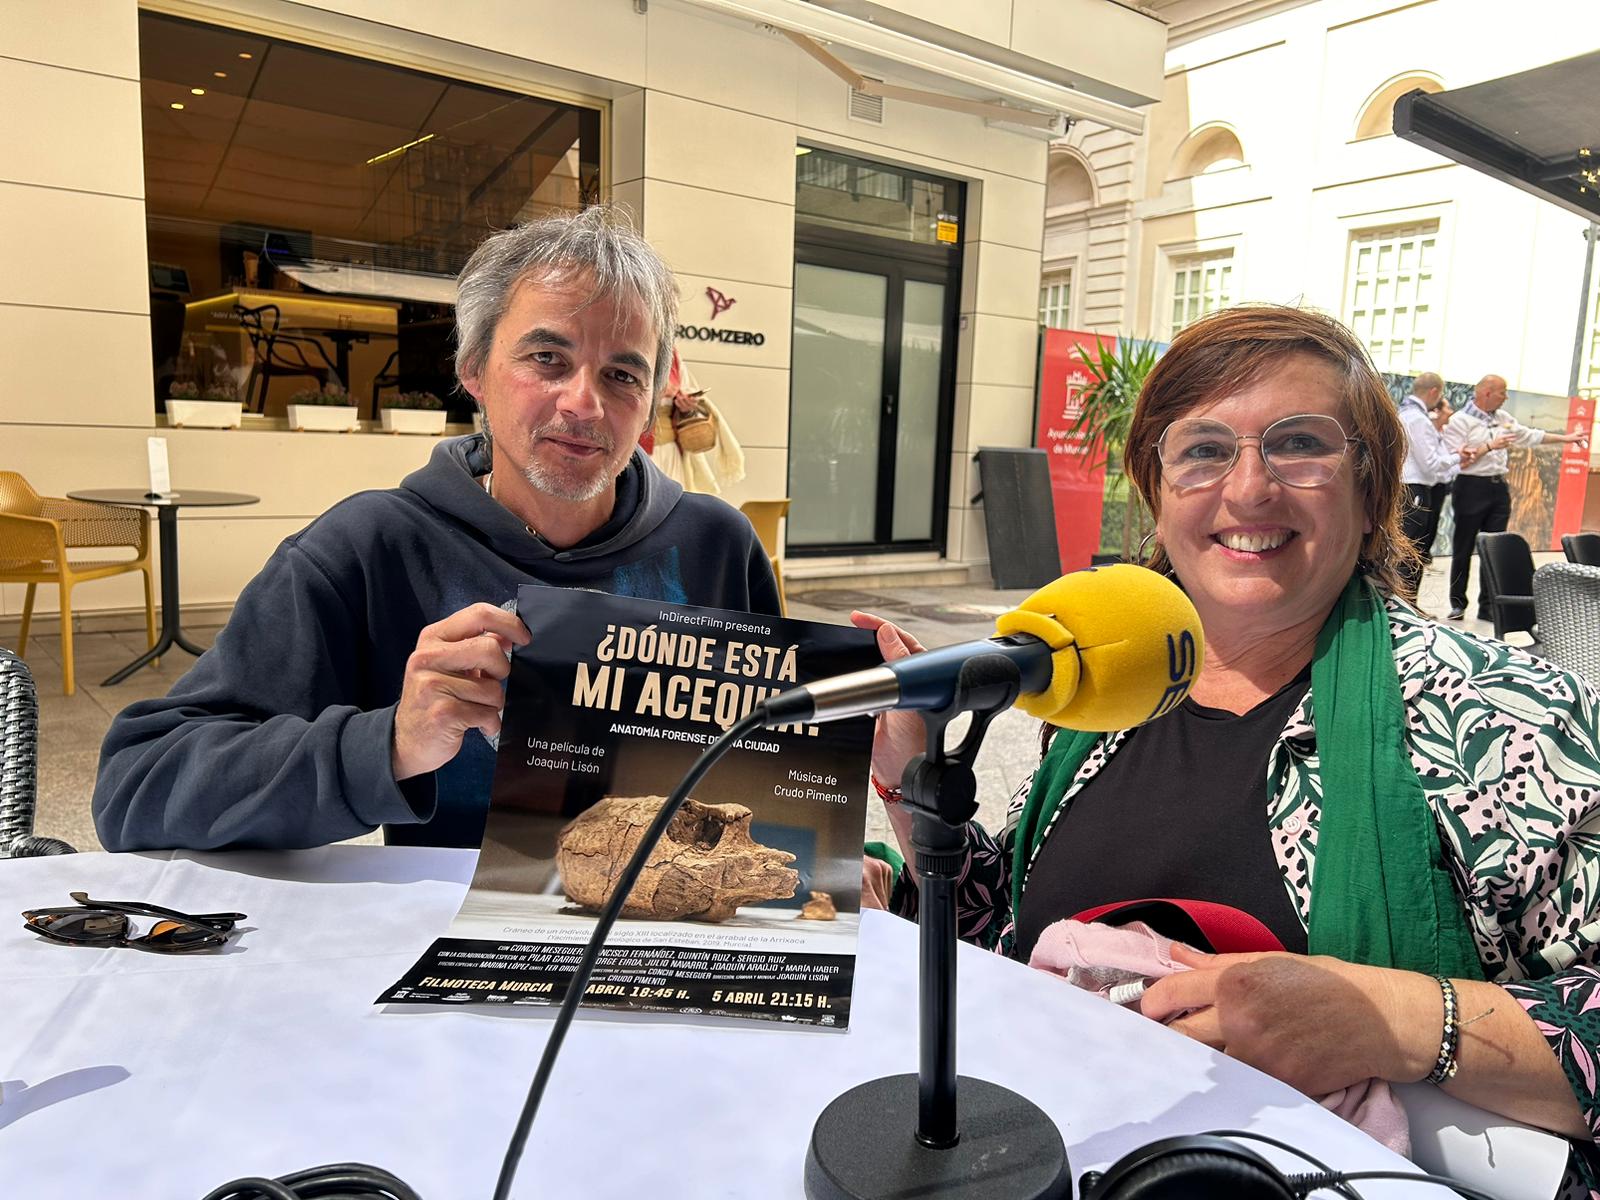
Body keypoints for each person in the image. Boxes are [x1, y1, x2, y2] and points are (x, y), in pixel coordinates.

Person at [859, 307, 1600, 1197]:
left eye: (1298, 445)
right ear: (1158, 491)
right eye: (1203, 450)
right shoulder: (1109, 693)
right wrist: (907, 795)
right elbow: (1021, 937)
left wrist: (1390, 1019)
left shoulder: (1500, 714)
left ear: (1371, 491)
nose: (1248, 491)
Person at [94, 206, 781, 851]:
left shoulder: (716, 549)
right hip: (453, 958)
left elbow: (776, 781)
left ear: (652, 398)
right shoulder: (369, 549)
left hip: (672, 948)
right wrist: (388, 744)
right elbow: (137, 788)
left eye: (622, 373)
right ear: (474, 370)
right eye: (547, 358)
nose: (584, 402)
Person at [1441, 374, 1586, 620]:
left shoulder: (1504, 419)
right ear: (1486, 392)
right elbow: (1458, 461)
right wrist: (1489, 446)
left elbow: (1531, 435)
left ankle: (1489, 606)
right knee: (1463, 547)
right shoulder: (1460, 421)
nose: (1505, 397)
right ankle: (1458, 603)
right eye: (1502, 392)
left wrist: (1567, 439)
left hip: (1498, 488)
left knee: (1493, 547)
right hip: (1470, 487)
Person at [1396, 372, 1463, 593]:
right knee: (1412, 550)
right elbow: (1431, 465)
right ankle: (1407, 606)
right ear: (1434, 392)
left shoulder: (1403, 413)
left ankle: (1404, 603)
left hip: (1403, 488)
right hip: (1415, 489)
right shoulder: (1418, 419)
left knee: (1405, 549)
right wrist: (1458, 457)